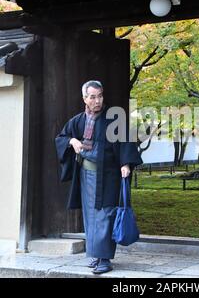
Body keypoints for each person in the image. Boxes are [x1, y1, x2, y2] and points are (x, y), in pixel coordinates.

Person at [55, 80, 143, 274]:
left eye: (100, 96)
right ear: (85, 99)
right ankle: (95, 254)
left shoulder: (114, 118)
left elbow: (126, 141)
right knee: (91, 216)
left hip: (109, 174)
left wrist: (125, 163)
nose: (97, 100)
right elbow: (61, 137)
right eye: (93, 97)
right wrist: (72, 141)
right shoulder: (78, 120)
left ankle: (105, 259)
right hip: (86, 174)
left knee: (106, 214)